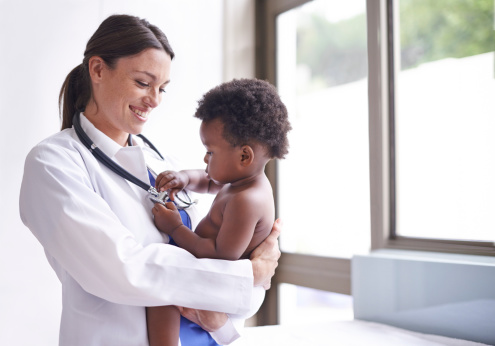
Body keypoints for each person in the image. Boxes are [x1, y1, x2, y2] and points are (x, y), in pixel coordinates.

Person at [18, 14, 282, 346]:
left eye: (162, 89)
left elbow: (242, 275)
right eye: (143, 83)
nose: (154, 100)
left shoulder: (162, 162)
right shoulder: (54, 163)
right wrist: (247, 276)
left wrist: (242, 287)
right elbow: (122, 269)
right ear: (98, 70)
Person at [146, 78, 292, 346]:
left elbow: (221, 254)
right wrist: (184, 178)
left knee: (162, 295)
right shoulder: (242, 180)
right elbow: (209, 181)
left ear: (244, 156)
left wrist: (175, 228)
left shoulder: (247, 199)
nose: (205, 159)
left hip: (228, 284)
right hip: (223, 277)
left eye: (210, 151)